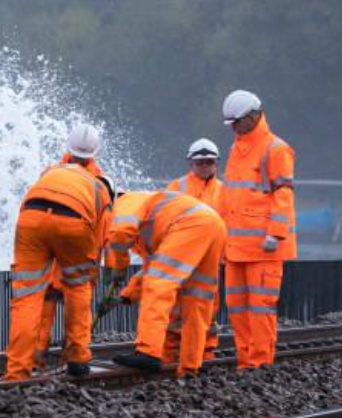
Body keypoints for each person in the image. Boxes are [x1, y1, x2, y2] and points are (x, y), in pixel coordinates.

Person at [5, 162, 114, 380]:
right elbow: (99, 243)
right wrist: (93, 277)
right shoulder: (102, 194)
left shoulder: (53, 172)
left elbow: (28, 212)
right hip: (71, 235)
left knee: (26, 298)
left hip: (30, 221)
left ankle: (18, 370)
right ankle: (77, 357)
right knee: (79, 289)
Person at [107, 191, 227, 376]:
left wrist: (119, 265)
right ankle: (190, 366)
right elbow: (151, 267)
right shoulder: (154, 215)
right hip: (214, 225)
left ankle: (148, 352)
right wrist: (126, 296)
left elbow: (121, 231)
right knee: (197, 297)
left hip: (191, 224)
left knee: (158, 284)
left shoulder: (126, 200)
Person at [219, 89, 297, 369]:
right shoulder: (235, 149)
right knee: (238, 308)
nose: (234, 128)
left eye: (237, 122)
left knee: (260, 307)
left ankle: (260, 362)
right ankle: (245, 360)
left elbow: (283, 193)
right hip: (236, 247)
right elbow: (229, 196)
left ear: (252, 116)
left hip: (264, 248)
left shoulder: (275, 148)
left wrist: (275, 233)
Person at [35, 125, 113, 364]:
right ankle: (75, 356)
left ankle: (35, 354)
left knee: (48, 298)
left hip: (53, 252)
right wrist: (99, 262)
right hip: (79, 252)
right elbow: (104, 228)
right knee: (75, 300)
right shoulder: (99, 182)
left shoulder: (51, 172)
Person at [164, 138, 225, 363]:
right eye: (200, 163)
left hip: (210, 261)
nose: (205, 166)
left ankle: (205, 354)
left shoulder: (225, 191)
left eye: (209, 162)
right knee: (174, 310)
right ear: (191, 164)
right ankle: (169, 356)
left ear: (216, 164)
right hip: (181, 259)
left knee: (208, 311)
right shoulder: (176, 188)